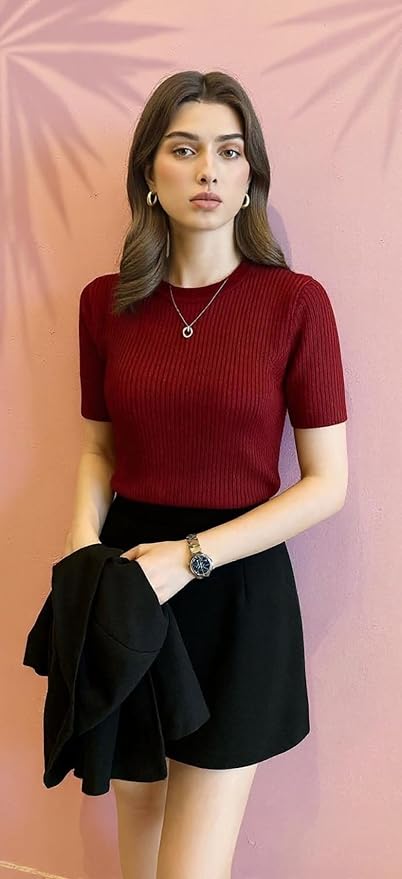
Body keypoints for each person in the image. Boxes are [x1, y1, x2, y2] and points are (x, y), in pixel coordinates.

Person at [65, 70, 348, 879]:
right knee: (137, 833)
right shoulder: (104, 304)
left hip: (236, 588)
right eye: (184, 149)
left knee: (190, 869)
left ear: (251, 174)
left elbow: (326, 483)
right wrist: (82, 552)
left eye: (229, 151)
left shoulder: (296, 303)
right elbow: (99, 449)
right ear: (149, 174)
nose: (208, 170)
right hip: (125, 581)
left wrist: (189, 557)